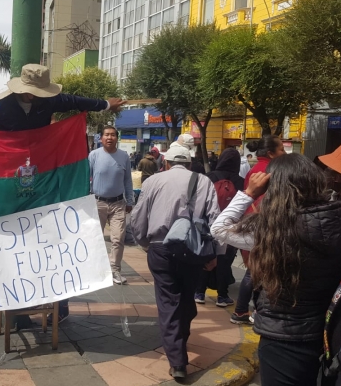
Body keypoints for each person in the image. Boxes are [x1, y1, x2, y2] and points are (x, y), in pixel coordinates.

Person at [0, 64, 126, 325]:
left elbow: (76, 101)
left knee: (44, 238)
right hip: (9, 173)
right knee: (8, 241)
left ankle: (55, 303)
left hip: (40, 169)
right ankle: (2, 307)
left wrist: (104, 104)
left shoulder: (50, 99)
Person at [211, 154, 341, 386]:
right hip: (328, 331)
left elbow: (219, 229)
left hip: (284, 337)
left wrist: (249, 193)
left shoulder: (273, 230)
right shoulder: (339, 217)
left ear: (274, 187)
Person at [131, 144, 220, 381]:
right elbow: (216, 220)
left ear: (166, 163)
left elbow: (138, 217)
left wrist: (144, 243)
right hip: (192, 250)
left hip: (160, 248)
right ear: (190, 164)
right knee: (187, 297)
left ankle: (178, 361)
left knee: (168, 303)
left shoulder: (153, 182)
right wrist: (214, 255)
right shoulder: (204, 182)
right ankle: (179, 344)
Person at [230, 135, 286, 325]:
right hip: (265, 225)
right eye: (282, 150)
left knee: (254, 269)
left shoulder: (254, 169)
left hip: (250, 221)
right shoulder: (273, 171)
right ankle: (243, 310)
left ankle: (244, 310)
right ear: (271, 153)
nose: (284, 153)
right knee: (256, 270)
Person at [194, 147, 244, 307]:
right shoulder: (241, 181)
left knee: (206, 257)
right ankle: (222, 296)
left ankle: (199, 292)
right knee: (224, 261)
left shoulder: (209, 177)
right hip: (231, 226)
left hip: (209, 224)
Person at [90, 126, 135, 285]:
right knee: (95, 239)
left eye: (113, 135)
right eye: (106, 135)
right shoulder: (94, 155)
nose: (109, 138)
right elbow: (85, 178)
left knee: (118, 239)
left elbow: (127, 181)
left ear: (117, 138)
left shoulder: (124, 157)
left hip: (118, 204)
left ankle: (115, 270)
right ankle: (94, 270)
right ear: (101, 138)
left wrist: (130, 201)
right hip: (97, 203)